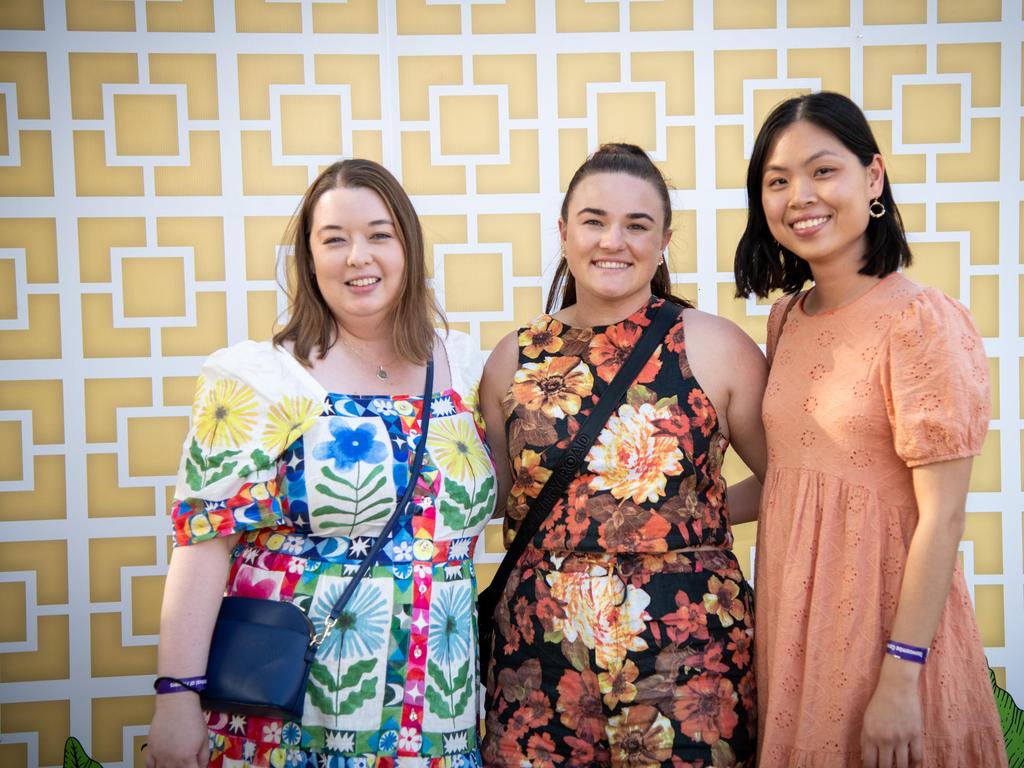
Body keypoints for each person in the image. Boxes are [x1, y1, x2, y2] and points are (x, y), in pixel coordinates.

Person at [146, 159, 496, 768]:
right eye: (334, 239)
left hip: (436, 709)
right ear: (309, 260)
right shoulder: (262, 378)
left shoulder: (464, 369)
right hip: (289, 710)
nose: (358, 256)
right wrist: (176, 699)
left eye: (379, 235)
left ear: (408, 247)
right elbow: (202, 543)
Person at [734, 91, 1008, 768]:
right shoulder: (786, 321)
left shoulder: (921, 321)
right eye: (777, 180)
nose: (801, 195)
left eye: (823, 170)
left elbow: (941, 519)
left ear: (874, 178)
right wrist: (667, 514)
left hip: (889, 635)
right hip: (799, 627)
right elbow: (793, 476)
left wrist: (901, 676)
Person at [479, 143, 768, 767]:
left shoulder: (715, 345)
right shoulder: (515, 357)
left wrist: (694, 515)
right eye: (593, 220)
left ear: (664, 240)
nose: (614, 240)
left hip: (690, 658)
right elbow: (497, 498)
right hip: (538, 657)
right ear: (563, 233)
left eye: (637, 225)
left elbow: (793, 482)